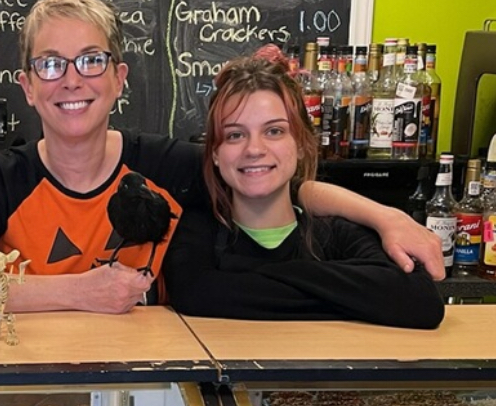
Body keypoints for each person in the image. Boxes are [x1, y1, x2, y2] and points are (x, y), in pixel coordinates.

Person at [0, 0, 443, 315]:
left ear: (119, 78)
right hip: (38, 386)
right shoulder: (0, 178)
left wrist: (386, 215)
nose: (70, 79)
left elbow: (277, 183)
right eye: (50, 64)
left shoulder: (170, 166)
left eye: (90, 60)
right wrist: (77, 292)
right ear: (27, 86)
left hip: (151, 396)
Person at [164, 55, 444, 328]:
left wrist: (245, 272)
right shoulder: (197, 229)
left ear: (300, 144)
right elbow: (196, 293)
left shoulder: (336, 234)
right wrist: (348, 299)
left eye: (274, 131)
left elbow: (420, 301)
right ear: (214, 153)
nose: (254, 149)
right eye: (235, 135)